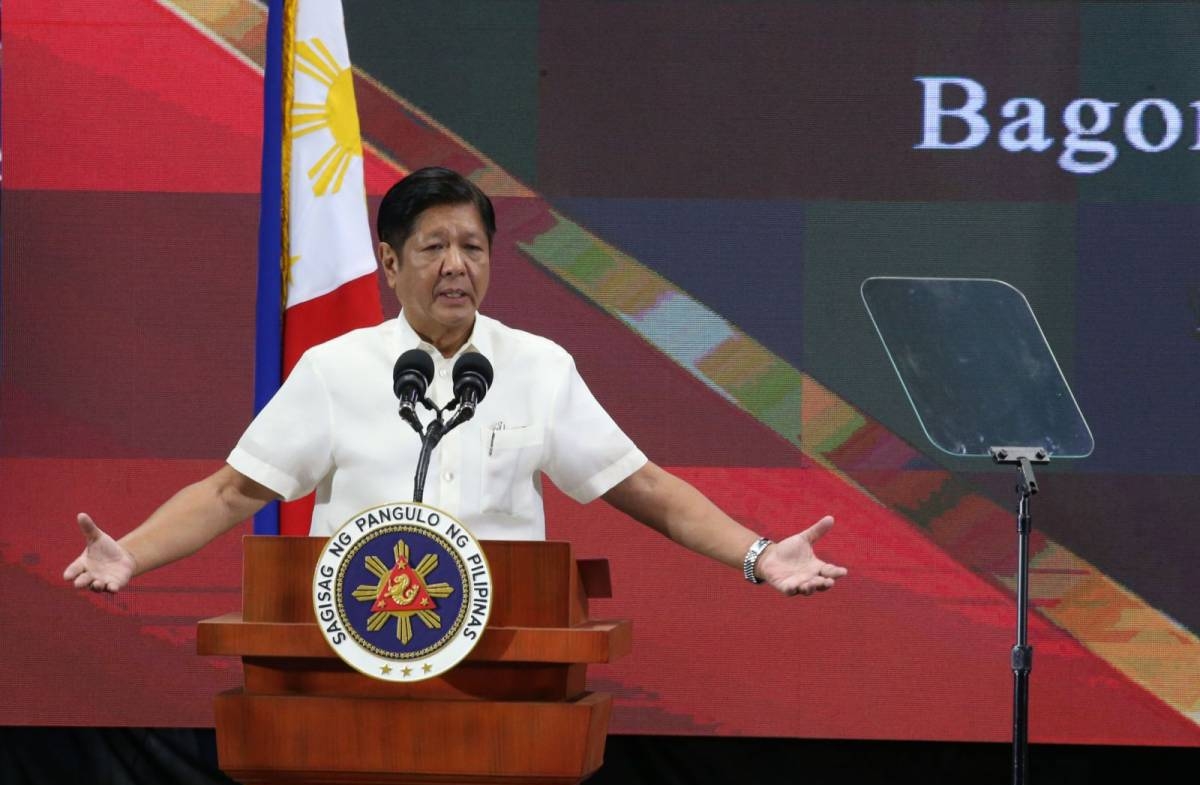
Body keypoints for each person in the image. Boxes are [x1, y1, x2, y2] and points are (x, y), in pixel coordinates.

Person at [65, 167, 846, 597]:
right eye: (433, 246)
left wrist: (760, 553)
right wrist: (129, 554)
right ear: (390, 263)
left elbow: (639, 486)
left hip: (504, 653)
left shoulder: (537, 366)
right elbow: (232, 492)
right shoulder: (336, 370)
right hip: (355, 647)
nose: (455, 266)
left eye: (472, 247)